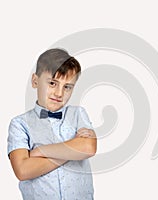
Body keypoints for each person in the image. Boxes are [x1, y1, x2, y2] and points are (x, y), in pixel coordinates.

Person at [7, 48, 97, 200]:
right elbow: (22, 170)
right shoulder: (20, 124)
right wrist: (72, 151)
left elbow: (88, 148)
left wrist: (40, 151)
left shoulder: (78, 114)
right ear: (35, 81)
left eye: (67, 87)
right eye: (52, 83)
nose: (59, 93)